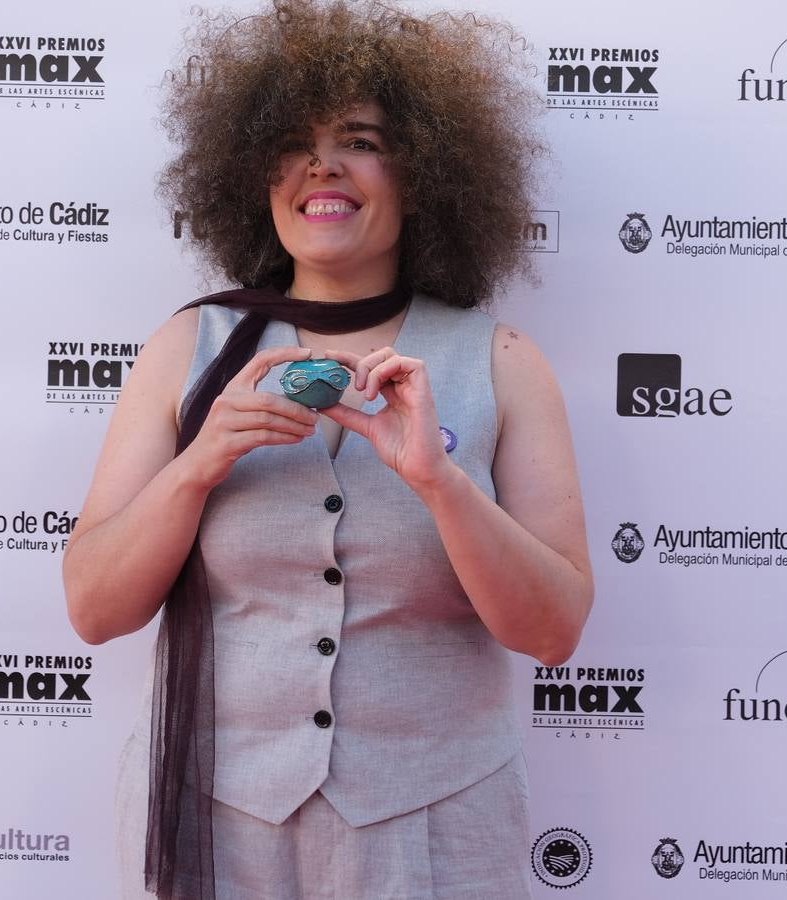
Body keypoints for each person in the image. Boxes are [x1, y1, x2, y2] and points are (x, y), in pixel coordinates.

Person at [62, 2, 593, 896]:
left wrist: (439, 482)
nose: (323, 165)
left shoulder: (502, 361)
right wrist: (198, 466)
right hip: (215, 821)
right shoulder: (185, 351)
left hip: (437, 829)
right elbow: (95, 610)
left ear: (422, 173)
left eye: (361, 139)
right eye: (296, 142)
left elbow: (552, 631)